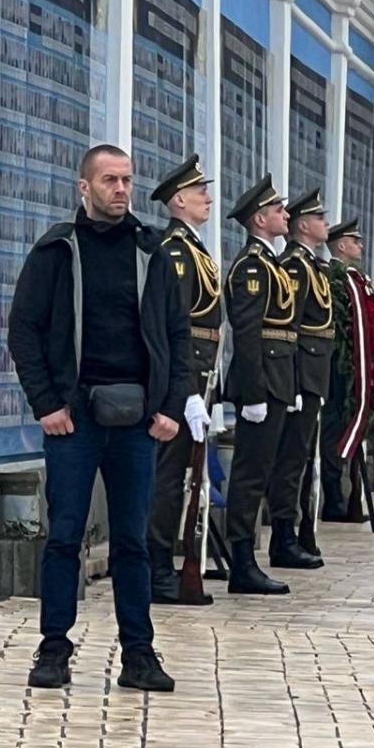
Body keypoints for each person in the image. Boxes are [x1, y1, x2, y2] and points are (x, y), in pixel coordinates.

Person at [7, 143, 197, 692]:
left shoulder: (152, 251)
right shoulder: (56, 250)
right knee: (65, 535)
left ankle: (139, 655)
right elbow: (24, 330)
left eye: (127, 180)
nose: (121, 189)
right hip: (75, 417)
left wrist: (171, 407)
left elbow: (178, 335)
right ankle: (53, 649)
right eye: (110, 180)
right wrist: (46, 404)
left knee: (133, 541)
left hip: (138, 419)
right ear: (84, 187)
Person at [145, 154, 217, 604]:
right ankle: (156, 568)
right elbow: (177, 329)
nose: (208, 199)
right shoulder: (175, 250)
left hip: (198, 376)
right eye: (199, 192)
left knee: (182, 478)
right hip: (182, 381)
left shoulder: (193, 248)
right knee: (168, 479)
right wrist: (187, 392)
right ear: (178, 201)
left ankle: (164, 564)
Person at [222, 174, 297, 594]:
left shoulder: (271, 263)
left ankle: (250, 558)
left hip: (278, 380)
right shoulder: (252, 265)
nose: (286, 215)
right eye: (278, 210)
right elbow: (247, 333)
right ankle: (242, 561)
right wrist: (253, 394)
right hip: (262, 383)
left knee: (264, 470)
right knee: (250, 475)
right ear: (260, 219)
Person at [264, 188, 333, 568]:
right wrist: (291, 382)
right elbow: (287, 327)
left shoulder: (310, 264)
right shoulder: (294, 265)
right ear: (304, 226)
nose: (326, 224)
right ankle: (284, 536)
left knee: (303, 457)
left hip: (312, 374)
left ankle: (300, 530)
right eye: (319, 218)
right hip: (300, 374)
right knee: (291, 460)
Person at [320, 219, 374, 520]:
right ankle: (333, 498)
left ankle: (346, 496)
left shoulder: (355, 278)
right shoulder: (333, 277)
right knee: (334, 430)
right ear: (341, 245)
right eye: (355, 241)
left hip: (354, 367)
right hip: (338, 367)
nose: (361, 246)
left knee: (345, 427)